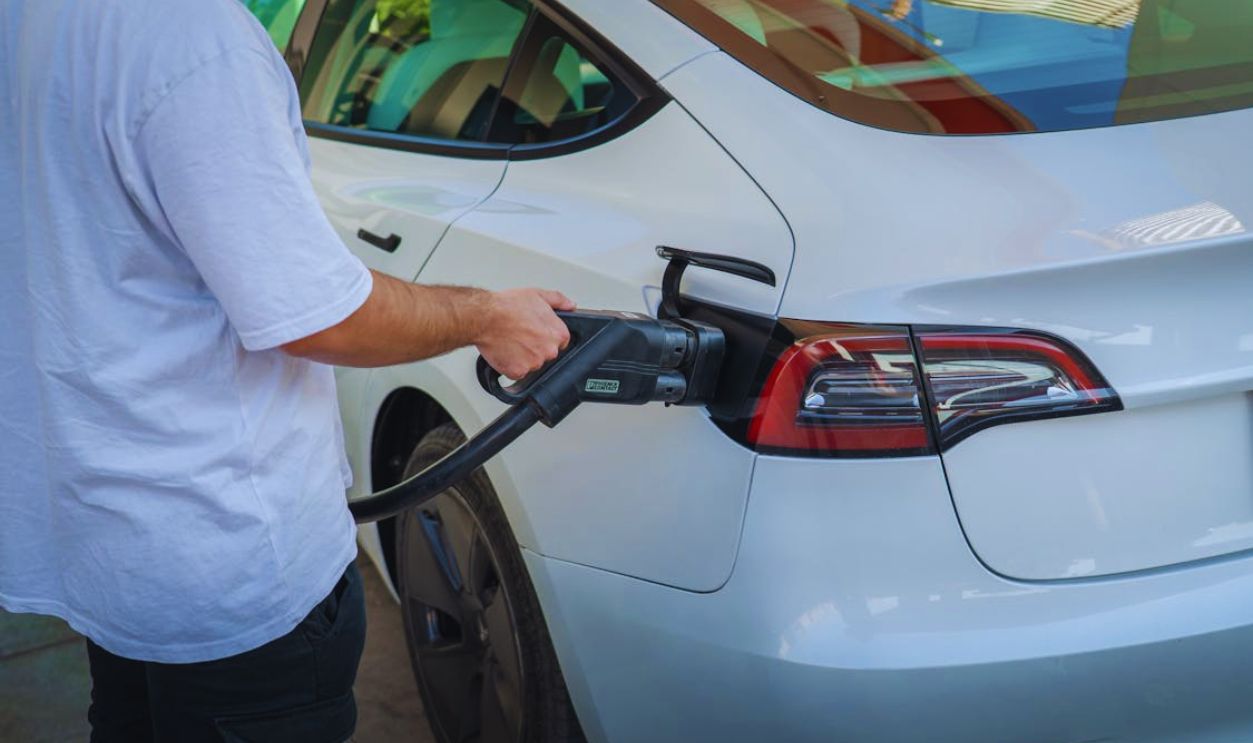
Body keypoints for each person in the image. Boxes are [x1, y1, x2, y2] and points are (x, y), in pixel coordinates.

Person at [0, 1, 573, 740]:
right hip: (223, 566)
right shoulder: (193, 38)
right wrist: (487, 316)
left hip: (109, 549)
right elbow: (314, 314)